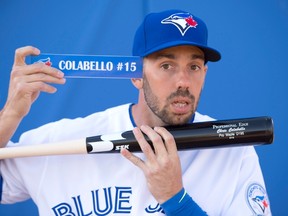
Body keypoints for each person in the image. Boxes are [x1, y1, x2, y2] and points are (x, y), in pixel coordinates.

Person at [0, 9, 271, 216]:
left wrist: (176, 199)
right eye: (166, 66)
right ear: (135, 75)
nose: (183, 82)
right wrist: (10, 114)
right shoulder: (59, 141)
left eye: (194, 67)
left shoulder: (234, 151)